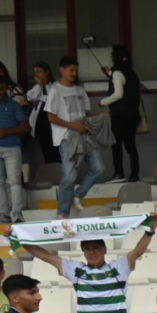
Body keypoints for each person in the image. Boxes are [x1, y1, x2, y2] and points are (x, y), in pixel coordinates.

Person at [18, 224, 155, 313]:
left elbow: (138, 250)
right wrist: (20, 238)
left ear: (104, 250)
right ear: (83, 252)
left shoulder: (118, 268)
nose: (92, 252)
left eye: (96, 247)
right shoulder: (77, 271)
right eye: (87, 248)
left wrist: (150, 231)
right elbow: (45, 256)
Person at [47, 56, 103, 219]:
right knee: (69, 175)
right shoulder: (55, 90)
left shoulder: (80, 91)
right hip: (66, 137)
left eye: (76, 70)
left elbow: (85, 114)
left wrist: (100, 117)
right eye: (71, 70)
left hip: (84, 135)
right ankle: (62, 212)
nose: (74, 73)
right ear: (61, 69)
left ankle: (78, 195)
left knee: (98, 167)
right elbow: (50, 116)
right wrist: (73, 126)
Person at [0, 74, 29, 224]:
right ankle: (4, 215)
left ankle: (17, 215)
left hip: (12, 148)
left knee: (14, 182)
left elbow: (25, 126)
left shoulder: (13, 105)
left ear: (6, 89)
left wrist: (6, 131)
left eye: (0, 89)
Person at [100, 45, 143, 183]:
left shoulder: (117, 73)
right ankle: (135, 174)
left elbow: (118, 93)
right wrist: (109, 74)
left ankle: (119, 173)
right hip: (132, 115)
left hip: (119, 115)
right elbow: (125, 85)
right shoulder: (131, 72)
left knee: (116, 145)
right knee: (131, 145)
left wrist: (103, 102)